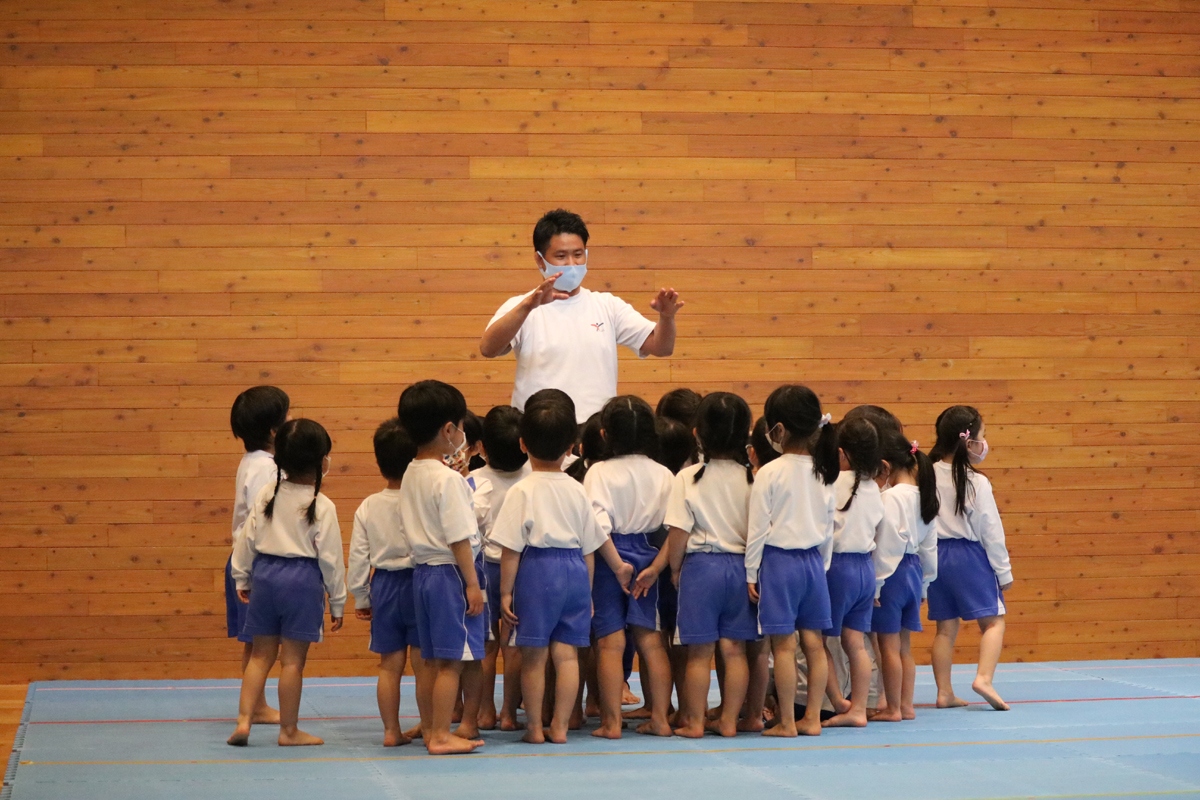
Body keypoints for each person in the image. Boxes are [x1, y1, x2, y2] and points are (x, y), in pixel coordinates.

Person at [479, 209, 683, 422]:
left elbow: (661, 347)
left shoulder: (608, 305)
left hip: (594, 430)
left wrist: (667, 318)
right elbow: (488, 349)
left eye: (578, 255)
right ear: (540, 260)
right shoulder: (522, 306)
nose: (571, 264)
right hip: (540, 429)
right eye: (561, 256)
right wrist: (526, 307)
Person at [492, 392, 609, 744]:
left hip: (538, 571)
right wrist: (588, 592)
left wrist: (505, 592)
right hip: (575, 570)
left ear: (523, 444)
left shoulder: (521, 490)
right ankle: (560, 726)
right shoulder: (577, 489)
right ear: (571, 446)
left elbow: (511, 549)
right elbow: (590, 548)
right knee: (568, 654)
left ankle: (534, 729)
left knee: (533, 655)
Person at [227, 419, 345, 747]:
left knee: (259, 656)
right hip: (302, 581)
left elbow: (247, 539)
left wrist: (242, 576)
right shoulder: (322, 505)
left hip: (265, 575)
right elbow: (331, 559)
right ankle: (289, 731)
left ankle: (244, 720)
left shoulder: (268, 494)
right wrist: (338, 601)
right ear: (321, 460)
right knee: (292, 661)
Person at [397, 380, 487, 754]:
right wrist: (472, 584)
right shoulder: (448, 480)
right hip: (450, 574)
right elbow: (459, 538)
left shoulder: (410, 472)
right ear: (449, 430)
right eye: (461, 428)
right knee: (452, 662)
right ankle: (439, 735)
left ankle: (431, 728)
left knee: (431, 661)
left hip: (422, 574)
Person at [744, 385, 839, 738]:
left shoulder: (770, 472)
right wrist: (822, 567)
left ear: (778, 429)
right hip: (813, 563)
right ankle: (812, 717)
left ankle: (786, 721)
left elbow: (757, 529)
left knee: (783, 646)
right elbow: (828, 528)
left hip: (779, 563)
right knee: (815, 644)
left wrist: (751, 572)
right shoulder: (823, 472)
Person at [665, 392, 760, 738]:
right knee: (735, 651)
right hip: (741, 567)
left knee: (698, 653)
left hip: (701, 568)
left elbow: (678, 532)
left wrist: (676, 568)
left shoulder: (688, 477)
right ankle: (730, 720)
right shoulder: (753, 478)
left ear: (697, 434)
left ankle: (694, 721)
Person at [585, 396, 675, 738]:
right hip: (651, 554)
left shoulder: (598, 472)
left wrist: (617, 565)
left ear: (605, 434)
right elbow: (678, 528)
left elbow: (596, 525)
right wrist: (657, 567)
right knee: (652, 641)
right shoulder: (664, 474)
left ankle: (611, 723)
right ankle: (661, 718)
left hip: (610, 556)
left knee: (610, 643)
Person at [927, 406, 1013, 711]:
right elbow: (991, 530)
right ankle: (984, 679)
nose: (984, 443)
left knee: (944, 629)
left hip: (934, 556)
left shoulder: (925, 473)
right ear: (969, 441)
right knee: (994, 622)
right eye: (983, 436)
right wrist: (1003, 571)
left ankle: (944, 692)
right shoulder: (976, 481)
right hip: (968, 556)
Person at [347, 418, 421, 747]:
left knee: (389, 666)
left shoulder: (369, 505)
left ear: (379, 462)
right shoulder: (422, 500)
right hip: (420, 581)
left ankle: (391, 731)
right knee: (424, 663)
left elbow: (358, 557)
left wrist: (361, 597)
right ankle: (431, 726)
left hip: (385, 586)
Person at [227, 385, 289, 726]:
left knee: (255, 643)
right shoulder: (267, 467)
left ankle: (256, 703)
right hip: (255, 562)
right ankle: (256, 706)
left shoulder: (252, 461)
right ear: (274, 430)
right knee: (261, 643)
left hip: (247, 560)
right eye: (288, 416)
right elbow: (261, 519)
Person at [470, 405, 533, 732]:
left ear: (481, 447)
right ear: (525, 443)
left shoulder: (472, 482)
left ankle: (485, 711)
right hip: (521, 569)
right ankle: (509, 713)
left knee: (486, 644)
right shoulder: (535, 478)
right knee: (513, 644)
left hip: (484, 569)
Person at [871, 428, 939, 722]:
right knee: (904, 647)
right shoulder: (925, 497)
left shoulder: (890, 497)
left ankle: (893, 708)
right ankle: (907, 705)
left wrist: (876, 584)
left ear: (885, 466)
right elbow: (930, 547)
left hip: (893, 573)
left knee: (888, 647)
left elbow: (888, 545)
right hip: (914, 572)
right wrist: (925, 585)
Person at [822, 417, 884, 729]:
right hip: (865, 569)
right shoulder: (875, 489)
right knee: (855, 643)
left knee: (817, 641)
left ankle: (837, 700)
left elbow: (824, 532)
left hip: (837, 567)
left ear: (841, 453)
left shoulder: (830, 484)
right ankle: (858, 708)